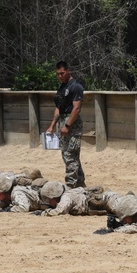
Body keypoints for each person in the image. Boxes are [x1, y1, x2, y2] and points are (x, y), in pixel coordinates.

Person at [44, 60, 86, 189]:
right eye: (58, 74)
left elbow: (77, 109)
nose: (60, 76)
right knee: (67, 153)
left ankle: (71, 185)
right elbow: (58, 108)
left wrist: (67, 126)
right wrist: (52, 126)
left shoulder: (76, 86)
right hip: (62, 120)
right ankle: (80, 182)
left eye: (62, 73)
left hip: (71, 123)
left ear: (68, 71)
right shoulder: (62, 87)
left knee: (70, 154)